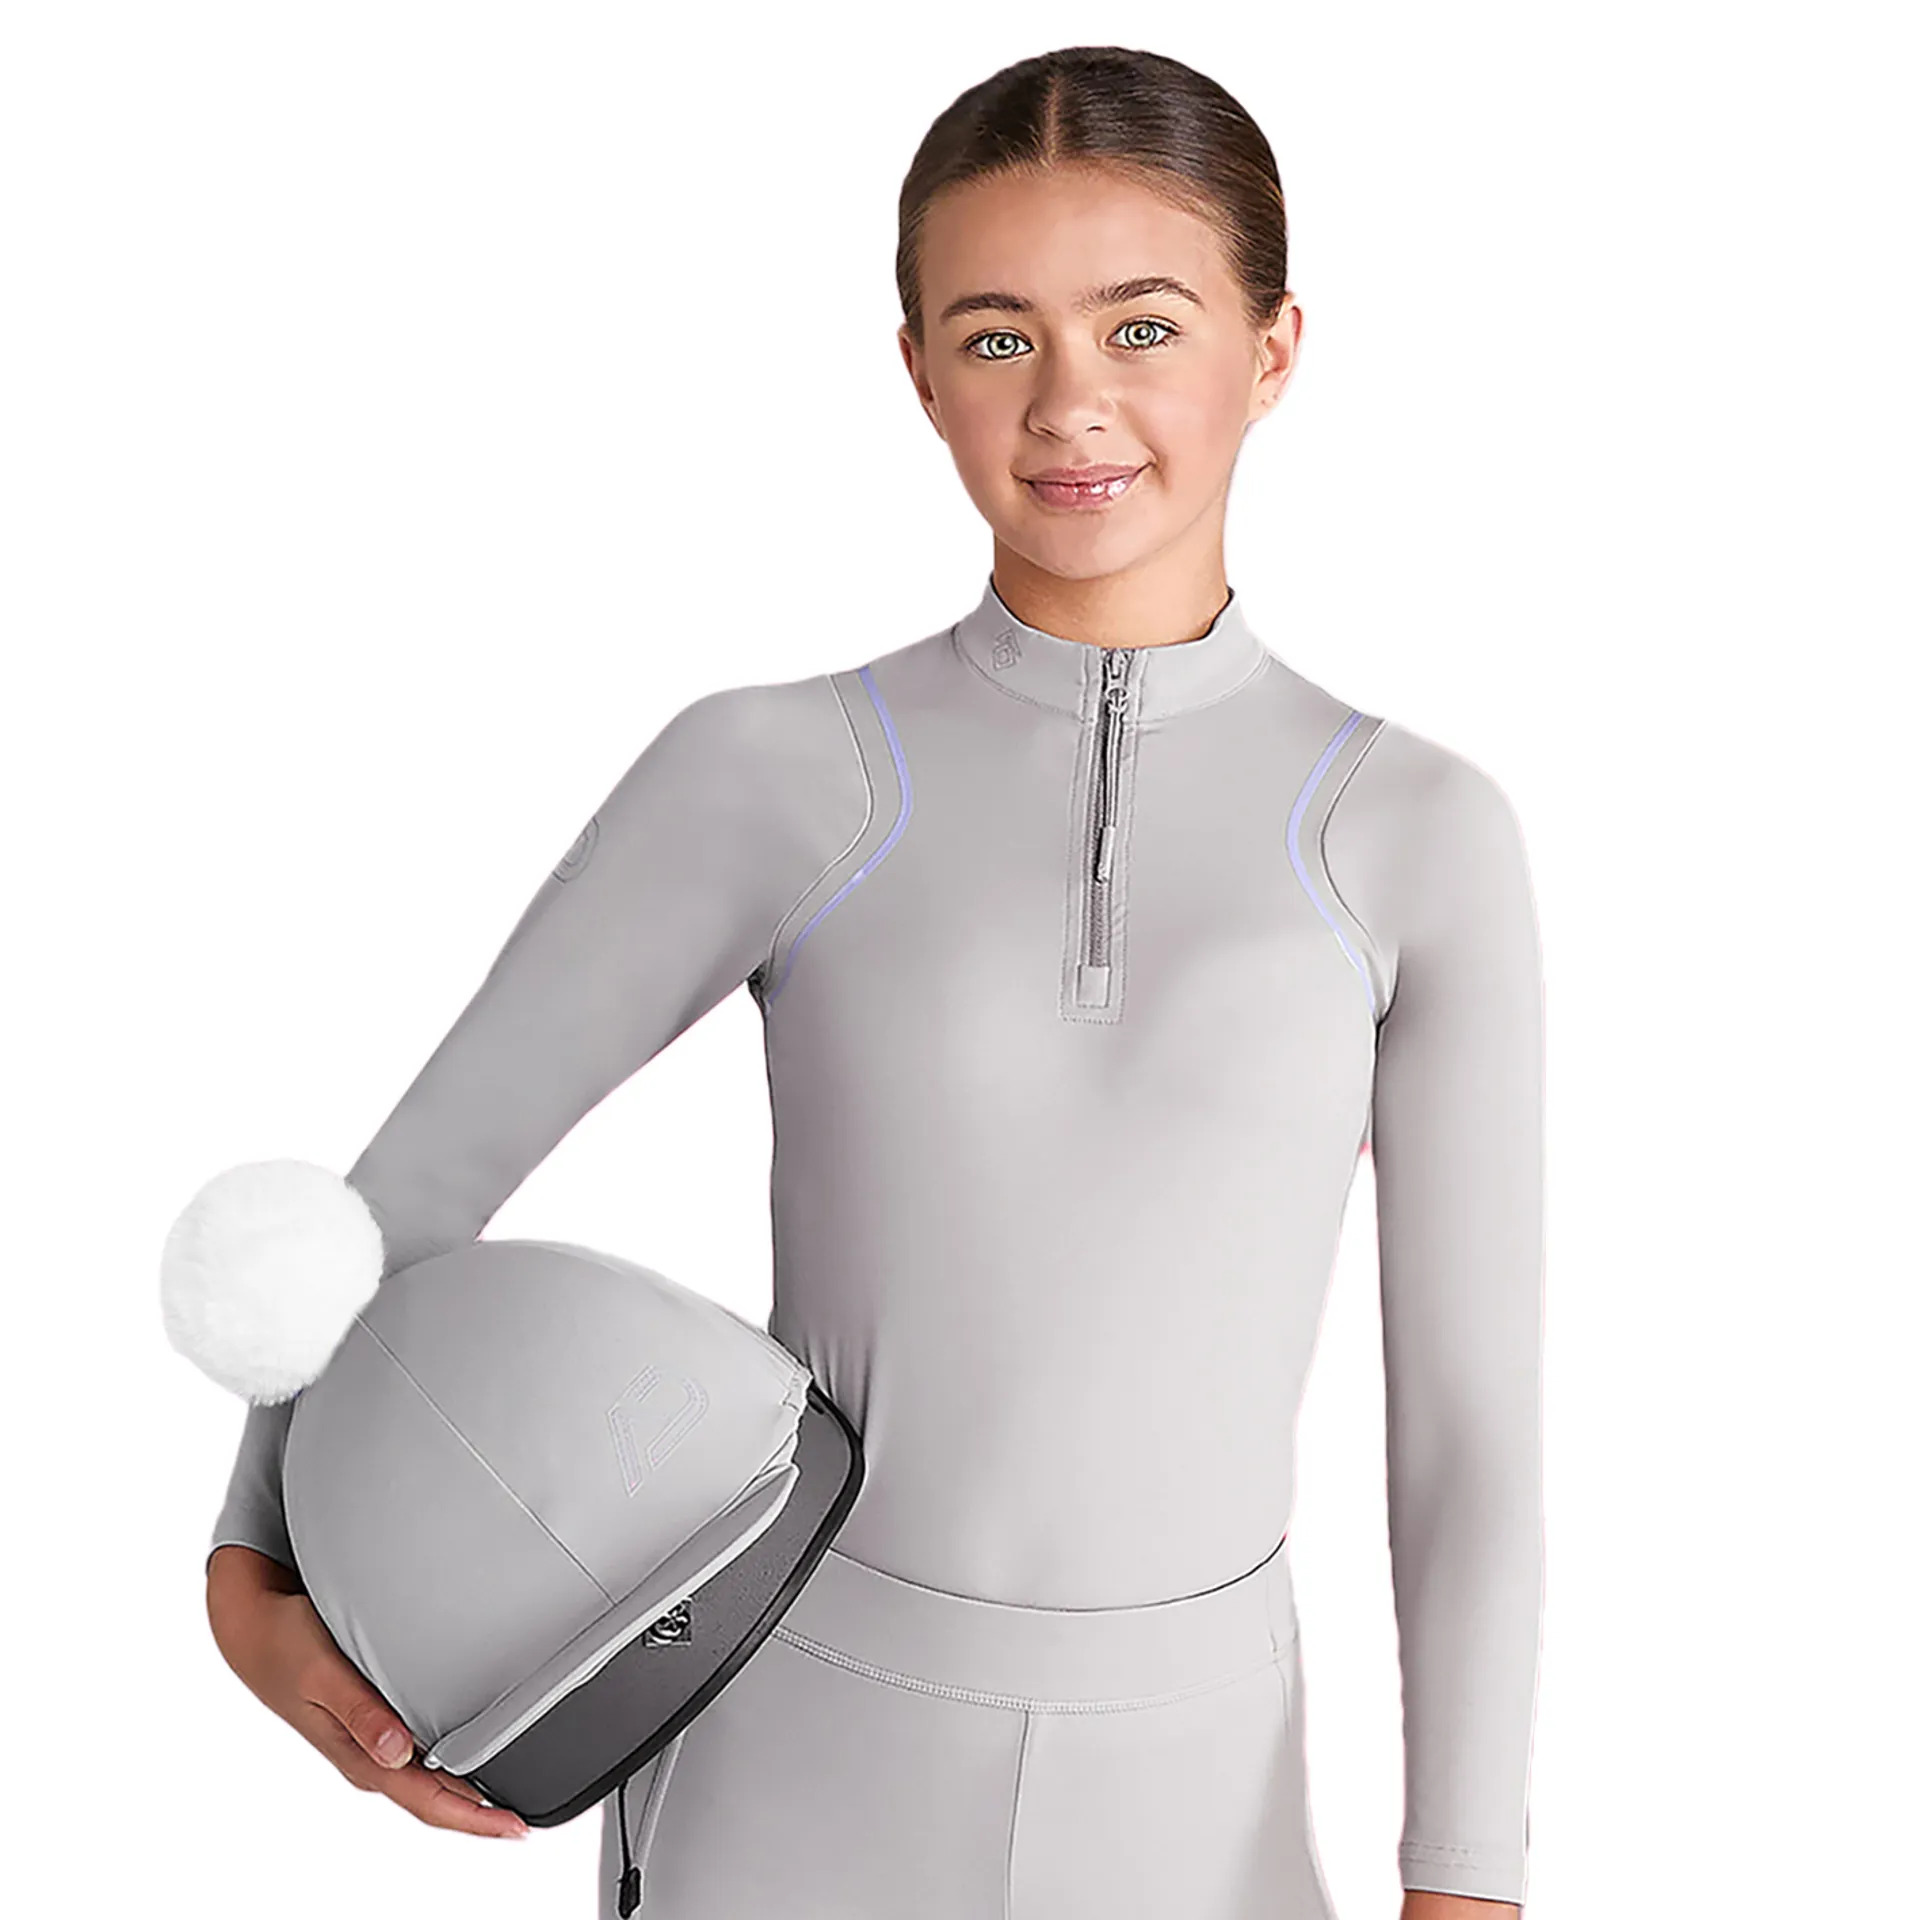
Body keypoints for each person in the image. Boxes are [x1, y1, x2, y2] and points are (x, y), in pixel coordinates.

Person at [202, 44, 1544, 1920]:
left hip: (1202, 1814)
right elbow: (409, 1197)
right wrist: (253, 1577)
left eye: (1142, 325)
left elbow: (1467, 1437)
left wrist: (1466, 1877)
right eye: (997, 338)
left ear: (1274, 348)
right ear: (918, 370)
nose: (1070, 403)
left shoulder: (1416, 833)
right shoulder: (777, 772)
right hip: (790, 1766)